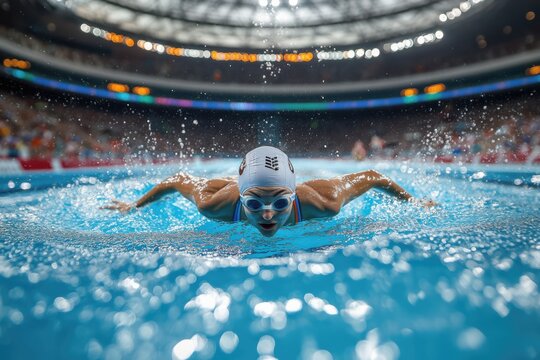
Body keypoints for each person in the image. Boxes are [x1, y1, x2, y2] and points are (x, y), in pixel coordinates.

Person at [103, 146, 435, 237]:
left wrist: (414, 202)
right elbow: (176, 179)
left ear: (292, 195)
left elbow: (373, 175)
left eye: (279, 201)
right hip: (230, 184)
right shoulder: (213, 202)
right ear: (241, 197)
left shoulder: (324, 201)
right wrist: (133, 205)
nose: (266, 214)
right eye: (254, 202)